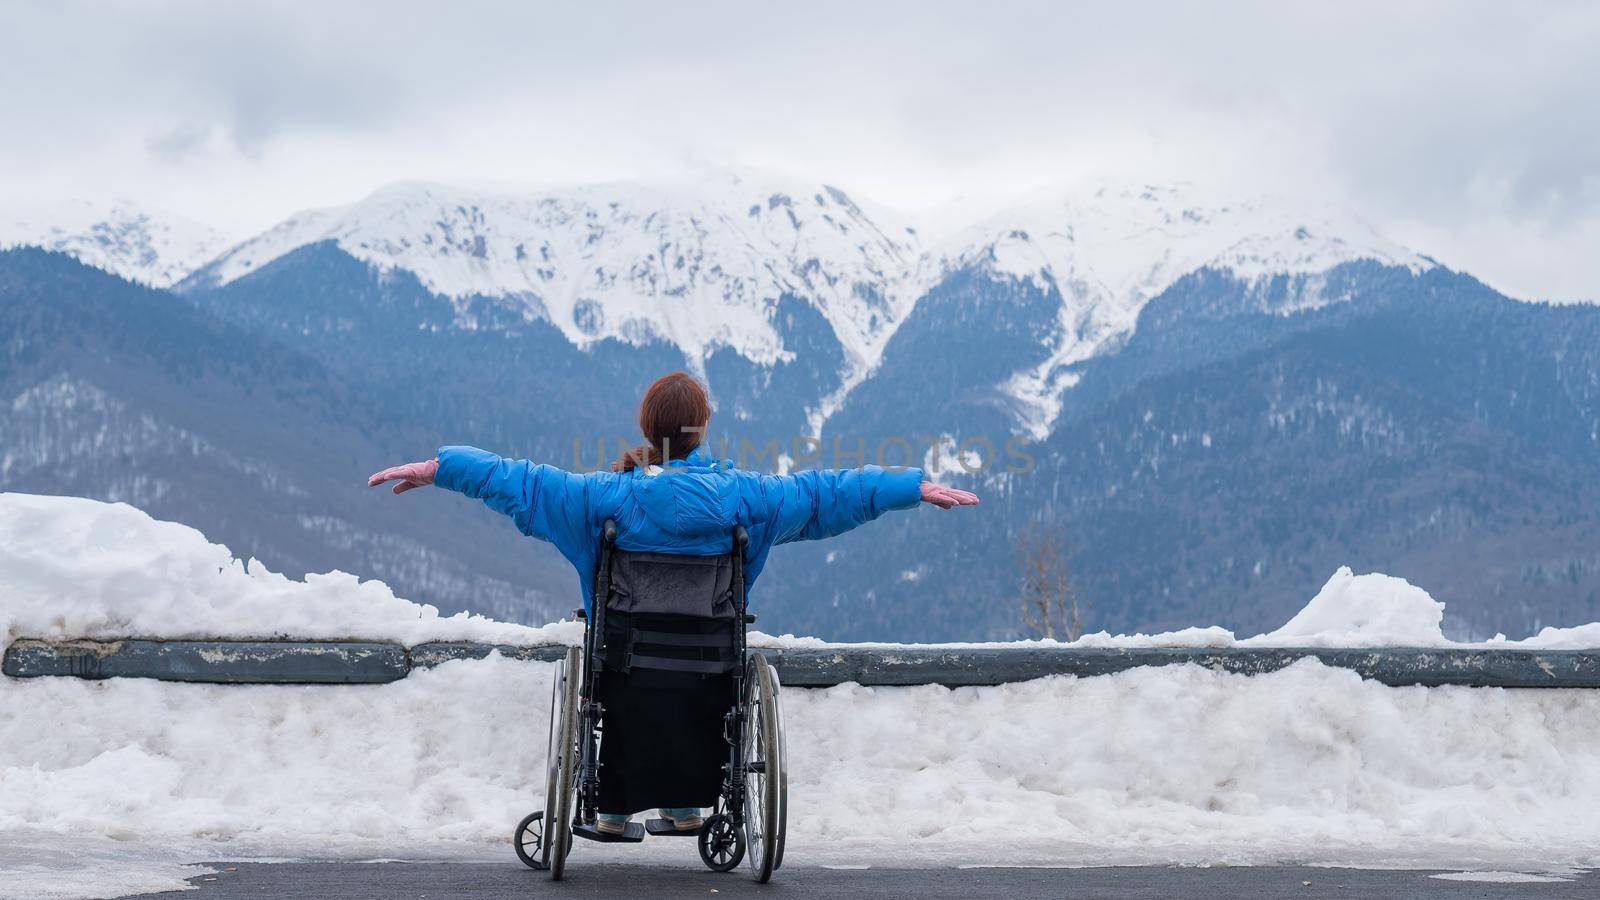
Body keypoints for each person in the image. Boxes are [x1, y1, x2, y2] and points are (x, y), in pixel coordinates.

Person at [368, 370, 978, 835]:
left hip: (622, 664)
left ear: (645, 428)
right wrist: (910, 488)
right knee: (698, 683)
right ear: (704, 427)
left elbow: (516, 481)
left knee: (628, 677)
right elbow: (827, 496)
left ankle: (608, 810)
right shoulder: (748, 499)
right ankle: (690, 804)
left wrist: (440, 467)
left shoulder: (598, 499)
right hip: (712, 665)